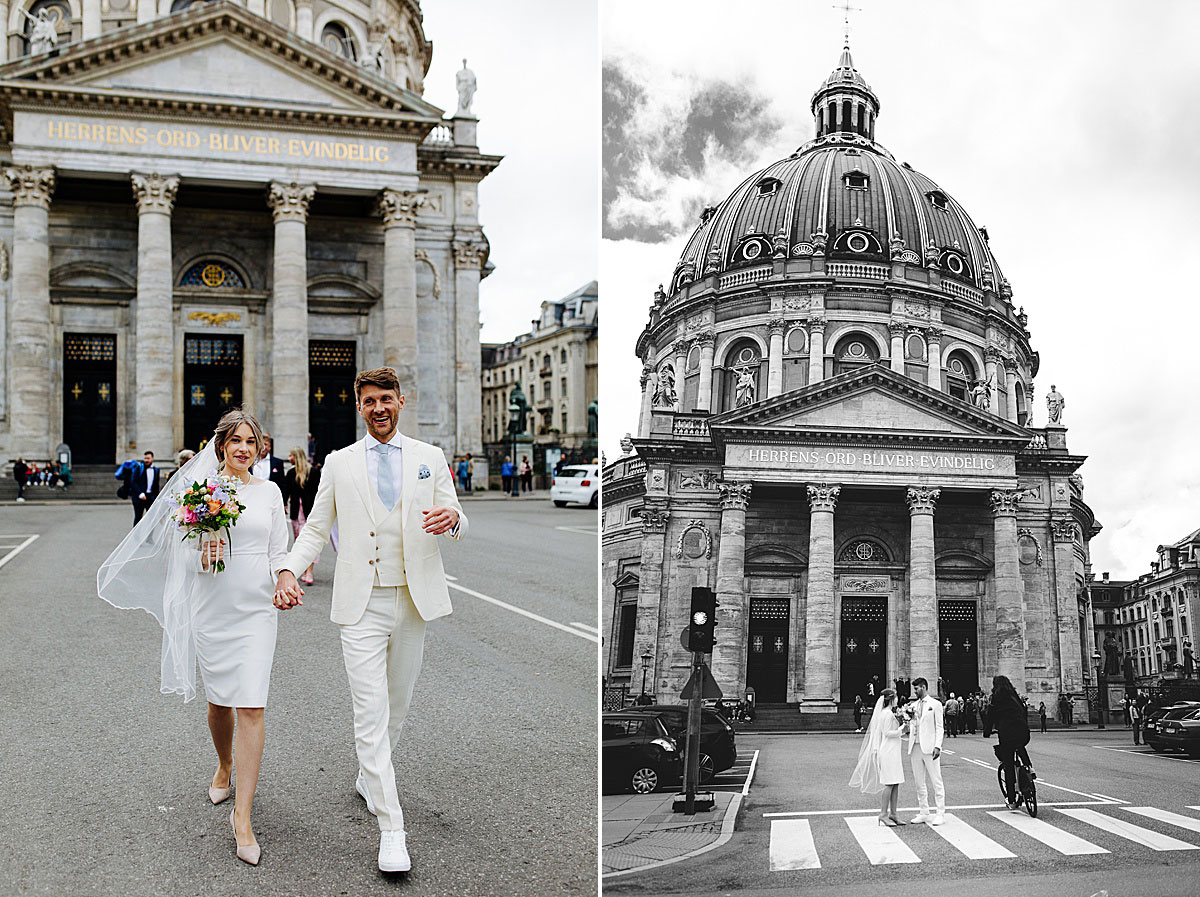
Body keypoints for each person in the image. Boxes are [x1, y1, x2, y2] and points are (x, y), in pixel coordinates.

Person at [273, 367, 467, 873]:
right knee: (370, 712)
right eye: (369, 401)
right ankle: (392, 829)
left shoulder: (430, 458)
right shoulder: (339, 463)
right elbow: (316, 528)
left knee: (396, 708)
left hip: (413, 599)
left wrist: (454, 521)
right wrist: (288, 570)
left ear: (402, 401)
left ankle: (368, 777)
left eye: (386, 399)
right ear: (358, 407)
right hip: (361, 604)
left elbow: (455, 513)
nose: (378, 408)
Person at [98, 409, 289, 866]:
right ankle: (224, 764)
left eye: (252, 441)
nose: (244, 448)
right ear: (221, 445)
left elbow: (280, 548)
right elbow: (180, 559)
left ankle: (242, 816)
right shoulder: (197, 492)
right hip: (212, 607)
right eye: (236, 440)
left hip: (257, 610)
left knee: (253, 704)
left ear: (259, 447)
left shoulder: (270, 493)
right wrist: (202, 552)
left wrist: (284, 577)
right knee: (220, 703)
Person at [850, 688, 908, 827]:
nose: (898, 699)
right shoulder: (887, 714)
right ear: (891, 699)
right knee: (889, 783)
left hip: (893, 750)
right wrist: (902, 729)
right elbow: (887, 732)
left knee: (896, 782)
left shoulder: (888, 713)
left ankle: (893, 813)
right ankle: (883, 814)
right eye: (896, 697)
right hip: (888, 750)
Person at [984, 674, 1034, 810]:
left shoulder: (996, 698)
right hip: (1023, 732)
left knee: (1009, 765)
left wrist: (987, 731)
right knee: (1020, 744)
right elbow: (1023, 711)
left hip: (1006, 734)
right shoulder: (1015, 696)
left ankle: (1011, 799)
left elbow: (990, 716)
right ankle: (1030, 767)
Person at [906, 676, 945, 825]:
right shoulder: (913, 705)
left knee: (936, 780)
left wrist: (938, 746)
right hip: (915, 746)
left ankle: (940, 812)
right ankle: (923, 811)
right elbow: (912, 725)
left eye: (916, 689)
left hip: (929, 747)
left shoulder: (935, 704)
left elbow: (939, 727)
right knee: (919, 781)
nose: (914, 691)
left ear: (923, 687)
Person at [284, 447, 322, 585]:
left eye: (290, 455)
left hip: (309, 511)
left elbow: (319, 492)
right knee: (299, 542)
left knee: (310, 541)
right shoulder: (291, 473)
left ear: (296, 457)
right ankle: (303, 569)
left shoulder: (313, 472)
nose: (289, 458)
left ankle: (309, 571)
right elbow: (286, 491)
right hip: (296, 512)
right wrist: (284, 505)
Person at [132, 450, 161, 525]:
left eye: (148, 458)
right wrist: (140, 493)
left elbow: (156, 485)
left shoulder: (156, 470)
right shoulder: (138, 468)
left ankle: (149, 536)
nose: (146, 460)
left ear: (152, 459)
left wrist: (157, 497)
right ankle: (136, 536)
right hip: (139, 497)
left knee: (151, 518)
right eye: (145, 458)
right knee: (138, 517)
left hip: (150, 497)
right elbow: (133, 481)